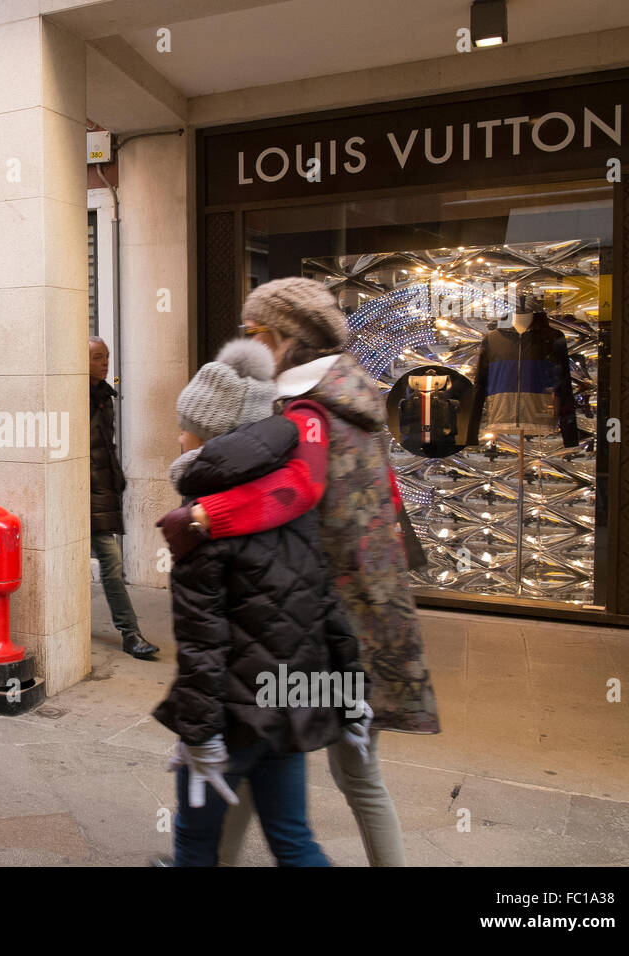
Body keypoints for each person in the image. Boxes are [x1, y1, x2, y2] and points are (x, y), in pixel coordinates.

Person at [162, 277, 440, 866]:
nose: (250, 342)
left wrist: (204, 516)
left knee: (352, 778)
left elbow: (300, 487)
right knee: (264, 758)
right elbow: (388, 498)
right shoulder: (355, 399)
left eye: (256, 332)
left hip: (329, 622)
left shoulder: (308, 408)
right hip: (352, 608)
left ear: (286, 338)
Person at [154, 339, 367, 866]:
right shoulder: (286, 502)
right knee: (293, 837)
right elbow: (325, 606)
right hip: (293, 697)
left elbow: (204, 641)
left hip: (232, 712)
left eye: (185, 424)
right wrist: (351, 690)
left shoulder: (205, 519)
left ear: (204, 435)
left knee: (196, 841)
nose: (177, 434)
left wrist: (199, 734)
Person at [88, 336, 158, 660]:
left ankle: (129, 633)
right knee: (112, 563)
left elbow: (107, 448)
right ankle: (130, 633)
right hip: (84, 494)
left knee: (110, 563)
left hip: (102, 493)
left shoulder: (105, 397)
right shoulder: (77, 398)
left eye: (106, 357)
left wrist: (116, 480)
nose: (105, 363)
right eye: (98, 358)